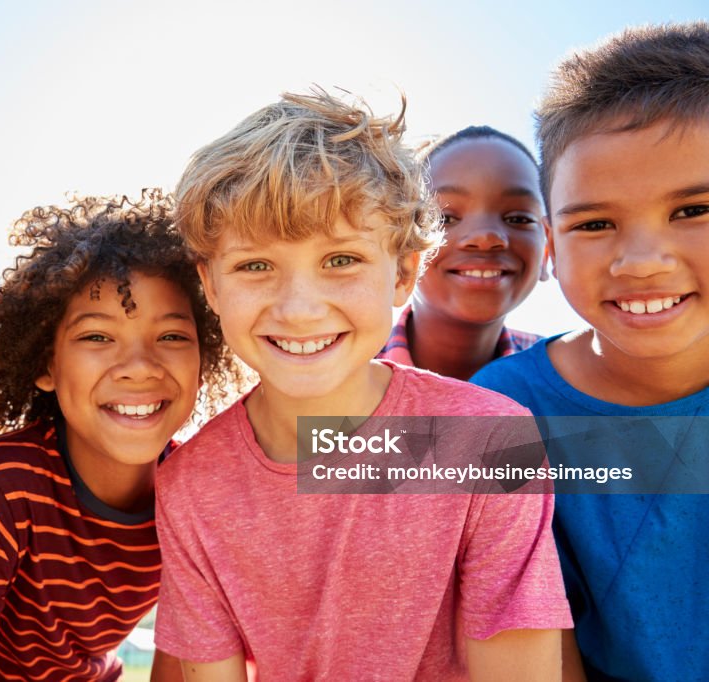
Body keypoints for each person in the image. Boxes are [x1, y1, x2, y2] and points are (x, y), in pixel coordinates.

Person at [154, 89, 572, 681]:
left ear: (403, 272)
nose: (298, 309)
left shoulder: (489, 443)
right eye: (255, 266)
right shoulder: (189, 486)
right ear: (211, 285)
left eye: (341, 260)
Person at [0, 191, 240, 682]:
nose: (140, 368)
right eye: (97, 337)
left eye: (171, 337)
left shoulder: (198, 494)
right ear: (46, 364)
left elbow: (184, 659)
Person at [471, 22, 709, 681]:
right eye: (595, 224)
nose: (640, 262)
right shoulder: (503, 412)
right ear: (550, 244)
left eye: (694, 210)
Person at [379, 126, 546, 379]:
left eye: (518, 218)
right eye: (444, 218)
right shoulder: (336, 380)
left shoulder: (570, 382)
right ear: (403, 251)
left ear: (547, 251)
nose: (485, 237)